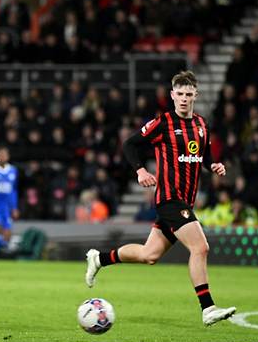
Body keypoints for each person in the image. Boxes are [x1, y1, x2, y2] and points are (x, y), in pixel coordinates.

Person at [85, 70, 236, 326]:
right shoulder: (163, 123)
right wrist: (141, 170)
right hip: (169, 199)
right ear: (172, 95)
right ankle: (207, 307)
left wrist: (214, 166)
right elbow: (129, 145)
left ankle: (99, 258)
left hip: (184, 201)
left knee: (149, 255)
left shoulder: (201, 125)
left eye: (189, 94)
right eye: (180, 94)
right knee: (201, 247)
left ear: (196, 95)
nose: (184, 99)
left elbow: (205, 156)